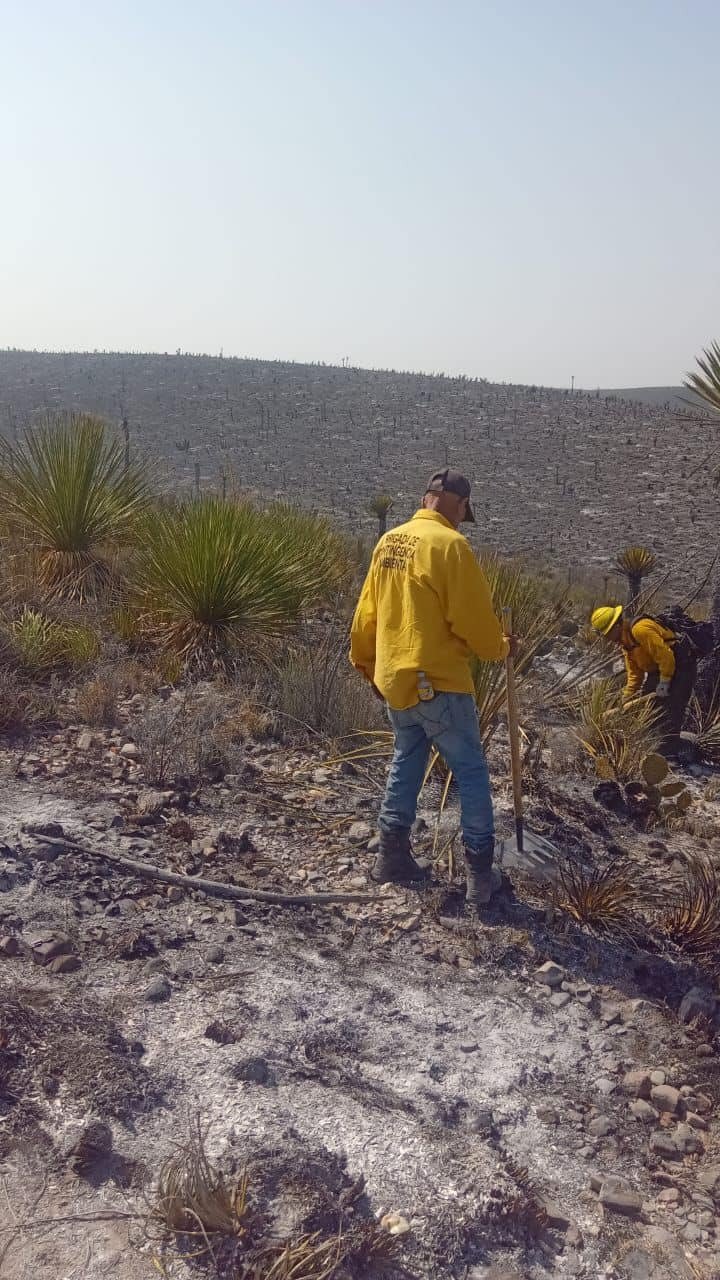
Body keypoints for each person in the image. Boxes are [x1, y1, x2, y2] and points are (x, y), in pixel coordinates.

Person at [350, 468, 516, 909]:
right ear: (458, 505)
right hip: (440, 684)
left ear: (426, 498)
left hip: (396, 681)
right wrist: (500, 647)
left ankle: (391, 858)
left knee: (407, 757)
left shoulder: (390, 542)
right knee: (471, 772)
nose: (462, 519)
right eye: (463, 511)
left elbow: (367, 614)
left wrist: (368, 666)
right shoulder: (450, 546)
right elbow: (473, 621)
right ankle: (480, 877)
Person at [590, 605, 697, 746]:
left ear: (616, 626)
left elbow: (666, 656)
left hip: (681, 668)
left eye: (606, 634)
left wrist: (664, 682)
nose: (606, 638)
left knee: (671, 710)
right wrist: (627, 697)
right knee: (649, 709)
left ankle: (671, 750)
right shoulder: (626, 642)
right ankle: (653, 743)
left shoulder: (640, 630)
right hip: (657, 671)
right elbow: (635, 673)